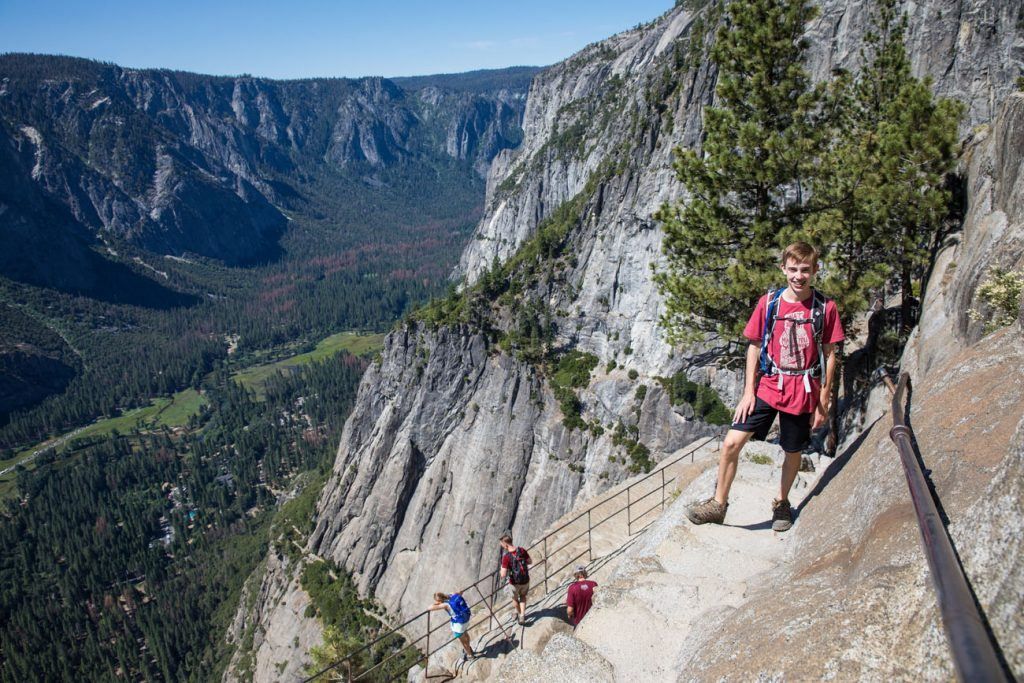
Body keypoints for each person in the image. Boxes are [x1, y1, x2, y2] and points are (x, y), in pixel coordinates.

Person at [687, 242, 845, 532]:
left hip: (803, 389)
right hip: (769, 386)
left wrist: (824, 398)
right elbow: (754, 346)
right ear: (783, 268)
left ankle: (782, 502)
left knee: (792, 450)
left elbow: (830, 352)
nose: (799, 276)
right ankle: (718, 504)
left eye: (805, 270)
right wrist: (749, 390)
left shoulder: (825, 308)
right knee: (732, 443)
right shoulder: (770, 302)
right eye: (793, 269)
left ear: (815, 271)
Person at [427, 592, 475, 662]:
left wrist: (437, 603)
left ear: (439, 601)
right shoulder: (453, 595)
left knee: (463, 641)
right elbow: (461, 591)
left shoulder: (445, 605)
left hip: (459, 625)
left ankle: (469, 655)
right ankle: (469, 649)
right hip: (465, 619)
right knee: (466, 634)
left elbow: (429, 608)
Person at [498, 533, 532, 625]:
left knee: (515, 599)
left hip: (514, 582)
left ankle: (520, 613)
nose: (502, 546)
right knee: (523, 596)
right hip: (525, 580)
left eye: (502, 544)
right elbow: (530, 561)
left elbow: (503, 574)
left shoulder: (506, 557)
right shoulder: (522, 550)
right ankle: (522, 615)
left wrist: (502, 570)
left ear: (505, 544)